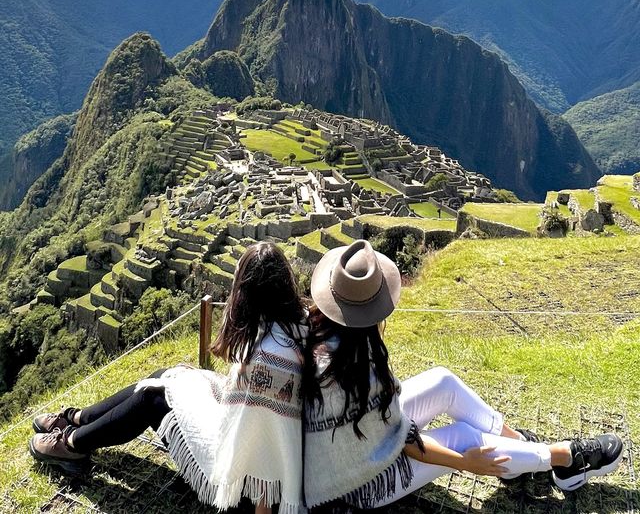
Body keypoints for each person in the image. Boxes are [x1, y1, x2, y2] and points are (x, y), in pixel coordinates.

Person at [303, 239, 624, 510]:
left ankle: (516, 445)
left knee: (443, 381)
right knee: (466, 439)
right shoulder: (360, 371)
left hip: (343, 455)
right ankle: (565, 459)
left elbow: (382, 424)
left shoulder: (306, 334)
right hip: (353, 488)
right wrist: (464, 462)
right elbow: (405, 442)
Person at [29, 242, 308, 514]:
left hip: (250, 487)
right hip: (251, 452)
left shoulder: (268, 362)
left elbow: (263, 448)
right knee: (168, 377)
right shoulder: (295, 326)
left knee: (153, 397)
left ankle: (72, 444)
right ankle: (77, 418)